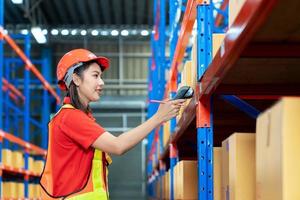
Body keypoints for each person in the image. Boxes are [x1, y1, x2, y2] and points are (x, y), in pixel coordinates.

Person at [39, 49, 185, 199]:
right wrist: (158, 118)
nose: (101, 82)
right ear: (76, 79)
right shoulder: (70, 117)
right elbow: (118, 145)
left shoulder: (78, 118)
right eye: (95, 75)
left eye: (101, 76)